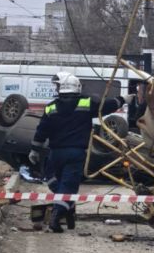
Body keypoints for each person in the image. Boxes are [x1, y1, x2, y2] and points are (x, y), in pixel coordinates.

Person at [29, 73, 133, 233]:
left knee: (54, 181)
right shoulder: (86, 102)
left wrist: (34, 150)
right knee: (68, 187)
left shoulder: (51, 107)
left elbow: (41, 130)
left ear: (62, 87)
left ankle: (66, 210)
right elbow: (106, 106)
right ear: (76, 87)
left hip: (55, 153)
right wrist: (123, 99)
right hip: (75, 153)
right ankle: (56, 216)